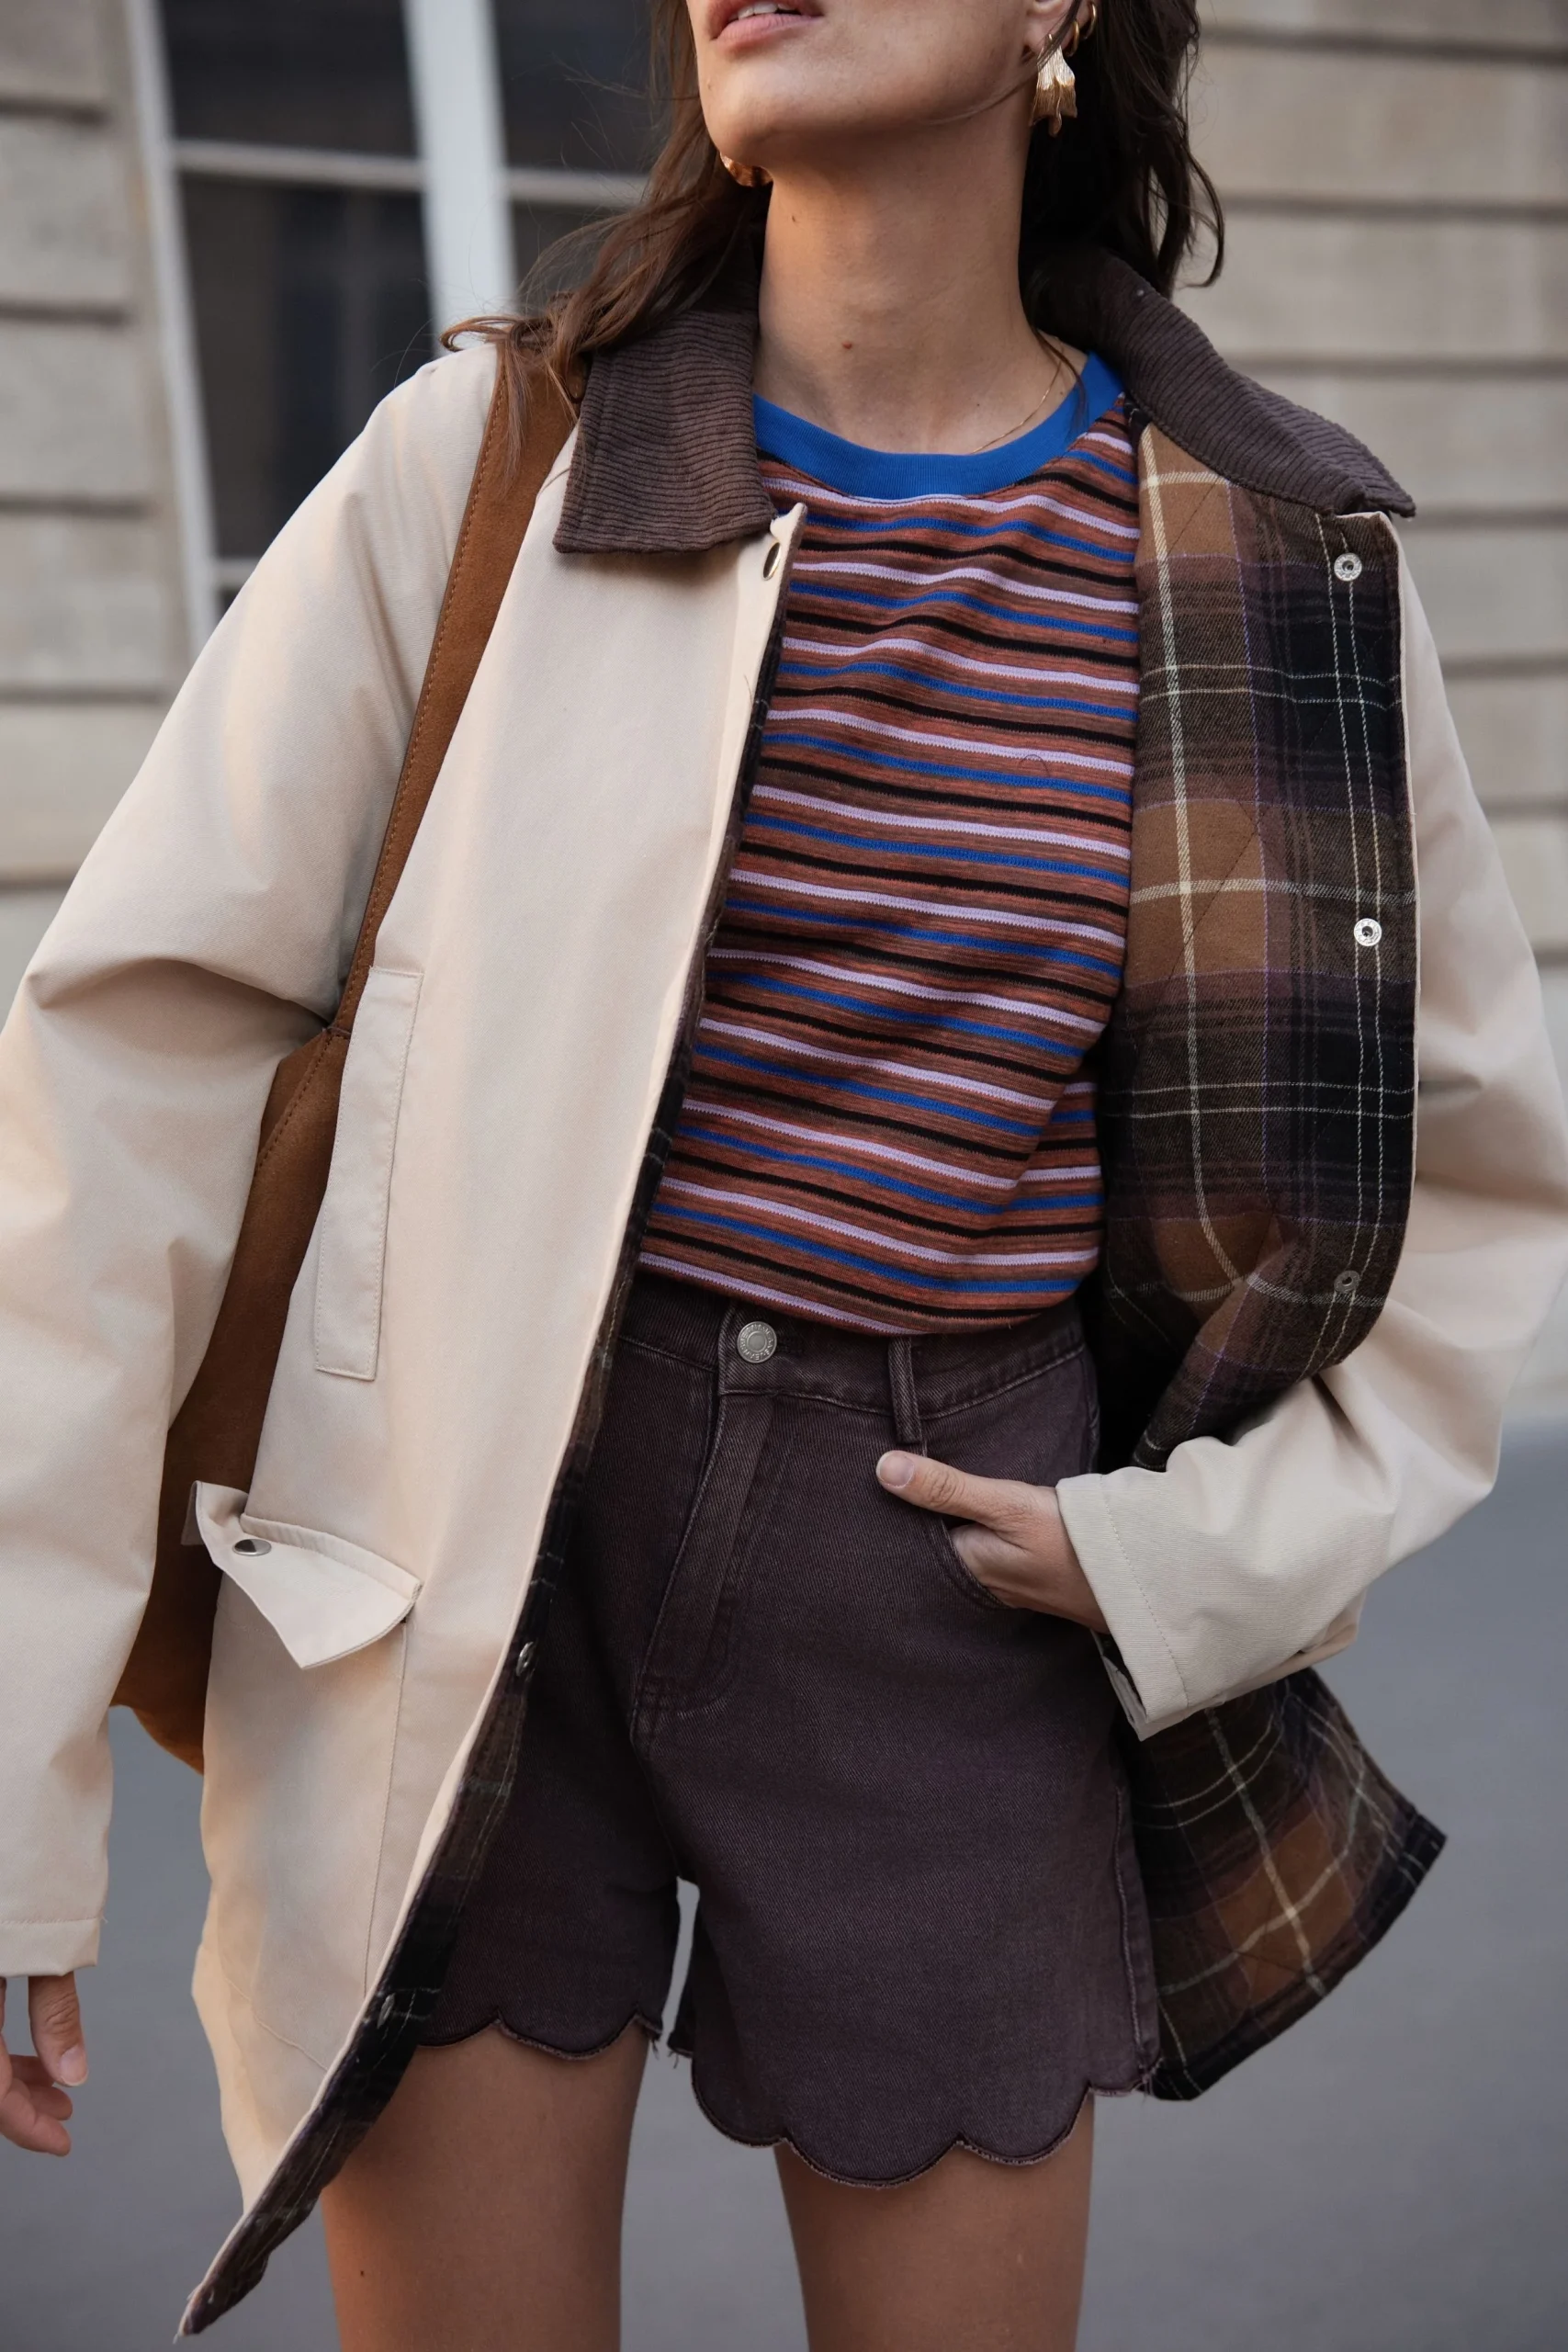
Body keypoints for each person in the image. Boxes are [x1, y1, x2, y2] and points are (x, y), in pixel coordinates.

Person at [2, 2, 1565, 2346]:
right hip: (479, 1556)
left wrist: (1188, 1554)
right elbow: (112, 1087)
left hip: (954, 1582)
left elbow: (1472, 1183)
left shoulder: (1269, 560)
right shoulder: (496, 460)